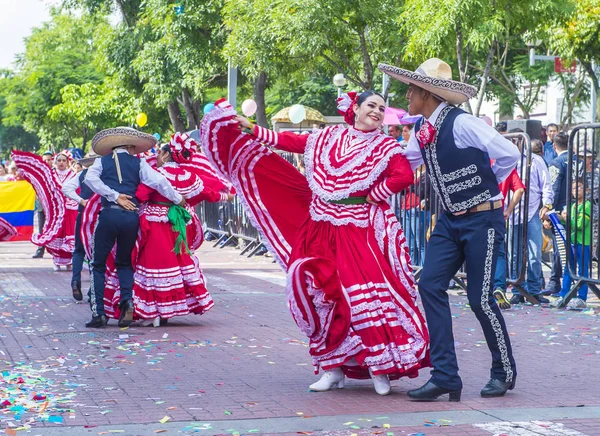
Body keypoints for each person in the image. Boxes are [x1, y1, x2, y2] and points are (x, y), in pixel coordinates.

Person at [201, 93, 430, 396]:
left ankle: (379, 368)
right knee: (319, 293)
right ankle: (332, 368)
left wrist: (376, 193)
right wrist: (253, 130)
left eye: (381, 108)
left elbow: (403, 175)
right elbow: (292, 143)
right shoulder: (329, 136)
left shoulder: (386, 146)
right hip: (320, 225)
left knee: (362, 297)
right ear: (356, 109)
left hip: (357, 228)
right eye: (371, 105)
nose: (376, 111)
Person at [379, 57, 520, 401]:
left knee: (480, 299)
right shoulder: (422, 132)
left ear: (426, 93)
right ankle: (445, 376)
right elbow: (405, 163)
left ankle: (504, 371)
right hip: (450, 219)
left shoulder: (463, 123)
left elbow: (509, 154)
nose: (407, 94)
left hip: (482, 219)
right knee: (429, 284)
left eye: (411, 89)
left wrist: (487, 189)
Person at [121, 133, 233, 326]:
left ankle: (154, 312)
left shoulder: (157, 174)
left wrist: (119, 199)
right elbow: (206, 193)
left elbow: (141, 194)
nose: (156, 156)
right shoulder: (189, 176)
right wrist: (227, 197)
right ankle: (165, 312)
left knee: (154, 263)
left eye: (159, 153)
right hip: (178, 225)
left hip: (156, 224)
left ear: (165, 155)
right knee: (177, 262)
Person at [83, 127, 185, 328]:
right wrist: (178, 198)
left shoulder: (101, 161)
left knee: (97, 264)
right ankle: (127, 302)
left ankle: (99, 313)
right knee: (124, 262)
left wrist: (113, 195)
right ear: (129, 146)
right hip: (131, 217)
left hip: (110, 214)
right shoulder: (138, 163)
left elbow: (89, 179)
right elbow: (159, 182)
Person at [508, 139, 554, 305]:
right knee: (514, 255)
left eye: (516, 140)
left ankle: (534, 290)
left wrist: (547, 205)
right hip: (512, 214)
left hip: (532, 212)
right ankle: (517, 290)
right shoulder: (506, 159)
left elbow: (546, 185)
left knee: (535, 254)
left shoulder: (536, 160)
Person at [61, 153, 100, 301]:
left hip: (83, 213)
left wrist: (80, 200)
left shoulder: (83, 174)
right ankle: (92, 290)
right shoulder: (104, 175)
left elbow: (66, 188)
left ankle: (75, 280)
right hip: (99, 215)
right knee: (97, 253)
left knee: (79, 249)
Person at [551, 180, 592, 310]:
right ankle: (564, 294)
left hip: (583, 242)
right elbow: (568, 223)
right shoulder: (572, 206)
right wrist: (560, 218)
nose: (575, 191)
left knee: (583, 270)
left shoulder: (587, 205)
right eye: (573, 188)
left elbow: (580, 225)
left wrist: (567, 218)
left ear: (586, 190)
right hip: (572, 242)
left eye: (578, 187)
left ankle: (581, 297)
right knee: (568, 268)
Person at [493, 168, 525, 310]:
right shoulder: (506, 166)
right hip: (496, 213)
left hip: (475, 214)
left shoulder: (480, 160)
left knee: (477, 253)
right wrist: (508, 210)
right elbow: (520, 190)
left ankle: (480, 290)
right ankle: (499, 286)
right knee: (499, 253)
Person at [546, 132, 570, 294]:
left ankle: (556, 281)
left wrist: (548, 210)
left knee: (559, 248)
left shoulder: (556, 162)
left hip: (560, 211)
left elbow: (553, 189)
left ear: (554, 146)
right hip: (577, 209)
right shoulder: (579, 161)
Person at [32, 151, 55, 259]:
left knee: (55, 228)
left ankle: (57, 251)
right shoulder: (38, 174)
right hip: (42, 206)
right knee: (41, 229)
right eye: (45, 160)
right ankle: (40, 250)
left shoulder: (56, 173)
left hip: (55, 207)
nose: (47, 162)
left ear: (52, 160)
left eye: (49, 159)